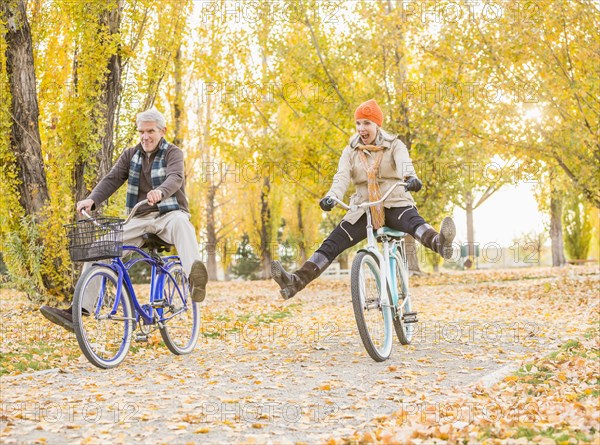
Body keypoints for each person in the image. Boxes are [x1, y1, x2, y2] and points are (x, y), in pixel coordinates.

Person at [40, 108, 208, 332]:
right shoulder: (131, 155)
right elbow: (112, 179)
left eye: (150, 131)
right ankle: (78, 311)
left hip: (169, 213)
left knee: (182, 224)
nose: (145, 136)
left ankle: (195, 278)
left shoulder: (173, 153)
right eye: (141, 132)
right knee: (98, 248)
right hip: (139, 218)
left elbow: (175, 177)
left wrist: (161, 191)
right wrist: (91, 200)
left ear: (163, 131)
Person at [272, 99, 455, 299]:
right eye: (358, 123)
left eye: (367, 123)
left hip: (393, 201)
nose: (361, 128)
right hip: (364, 208)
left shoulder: (394, 145)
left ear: (377, 125)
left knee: (414, 223)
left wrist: (410, 178)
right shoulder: (350, 150)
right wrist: (332, 196)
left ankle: (441, 244)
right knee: (332, 243)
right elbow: (342, 176)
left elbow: (404, 163)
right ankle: (294, 282)